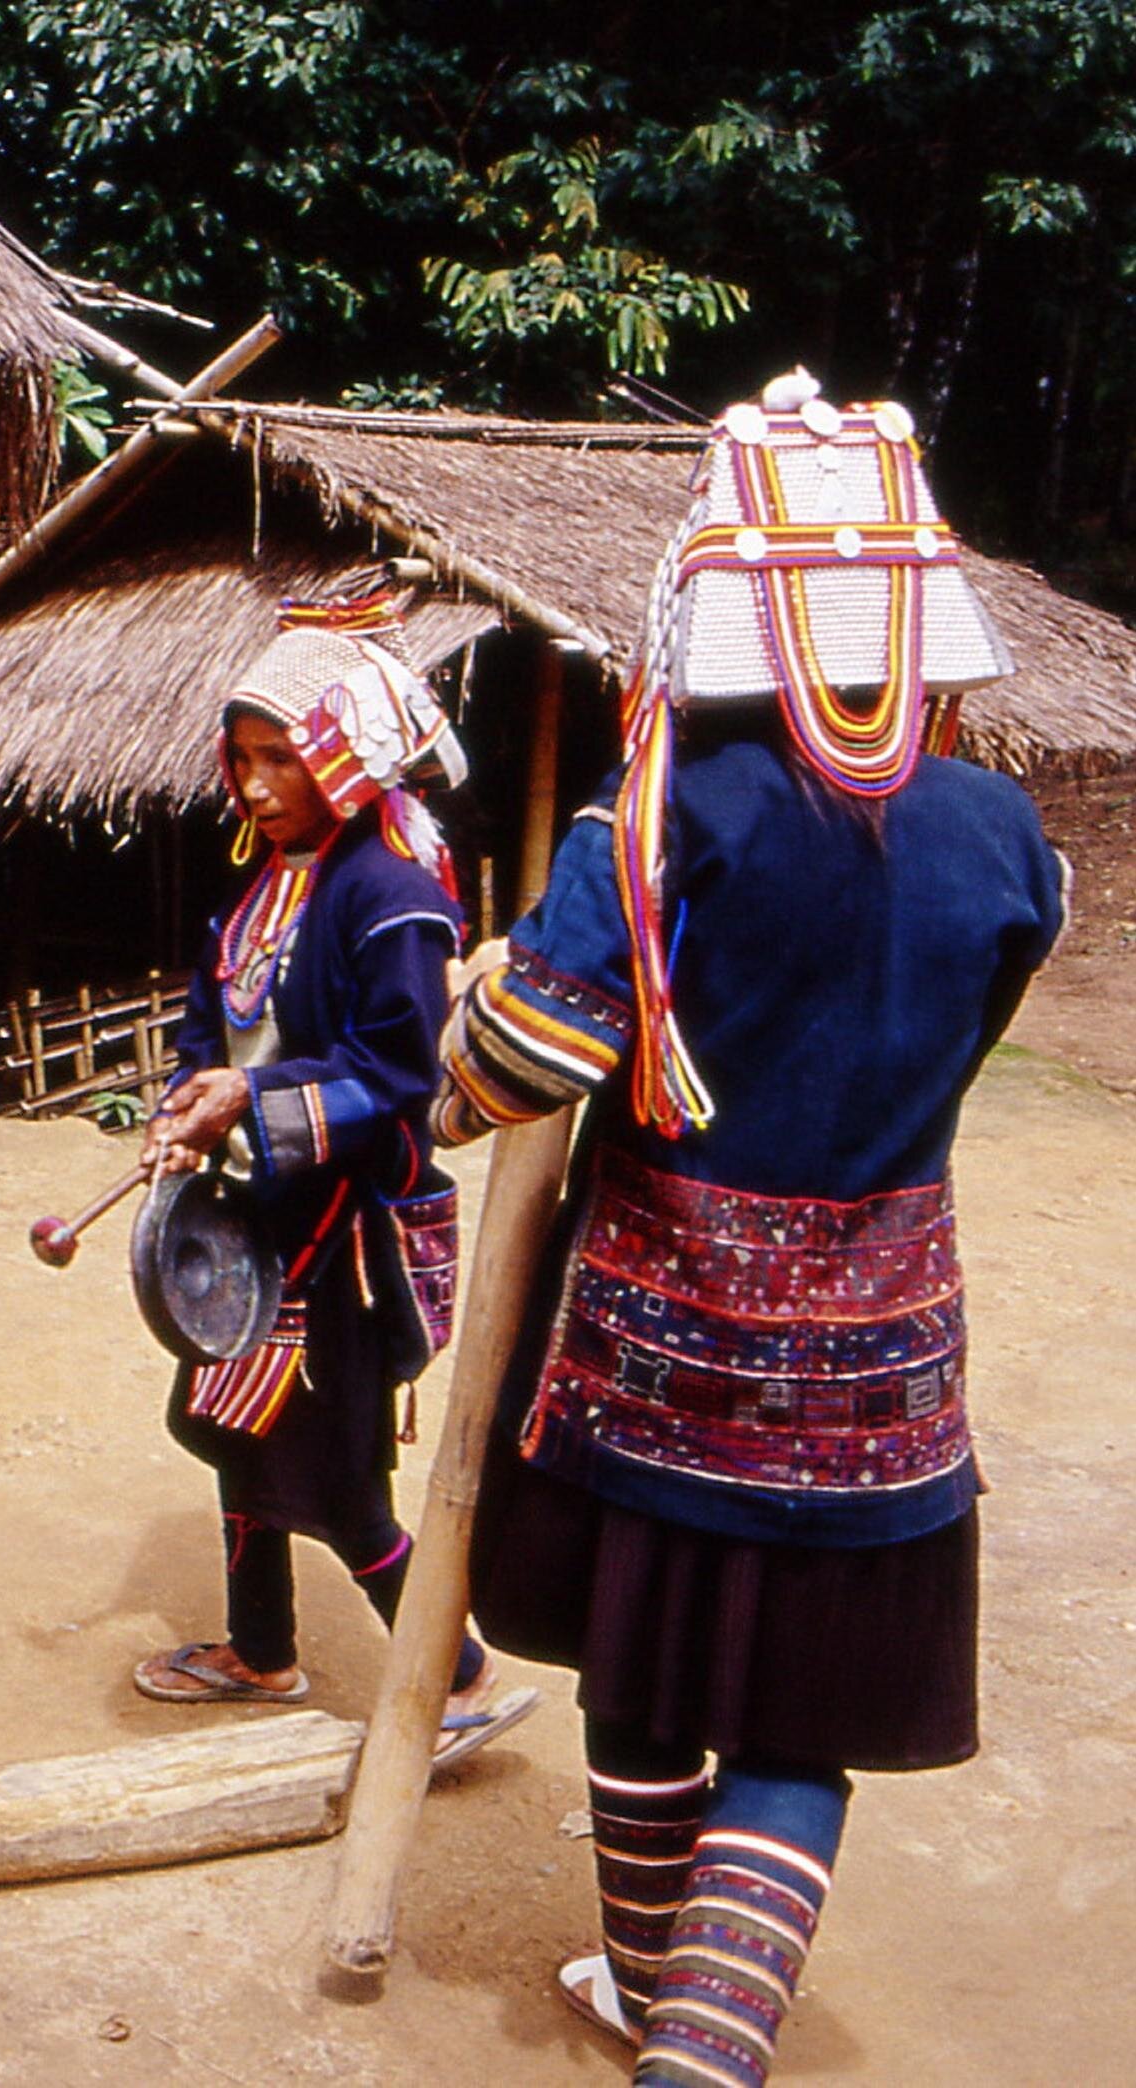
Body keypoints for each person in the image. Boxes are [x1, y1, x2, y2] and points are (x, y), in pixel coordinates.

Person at [443, 376, 1064, 2082]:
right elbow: (967, 1034)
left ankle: (663, 2001)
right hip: (878, 1376)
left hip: (656, 1365)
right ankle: (691, 2054)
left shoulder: (664, 808)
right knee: (798, 1729)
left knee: (640, 1682)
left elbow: (521, 1065)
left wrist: (465, 1027)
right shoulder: (1004, 836)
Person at [131, 595, 533, 1767]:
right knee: (236, 1424)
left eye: (282, 759)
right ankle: (262, 1650)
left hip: (342, 1233)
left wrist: (248, 1101)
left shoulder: (391, 896)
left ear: (344, 757)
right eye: (243, 759)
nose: (256, 787)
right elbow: (213, 1023)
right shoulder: (264, 881)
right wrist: (185, 1107)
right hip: (261, 1211)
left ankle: (458, 1677)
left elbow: (401, 1076)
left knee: (340, 1475)